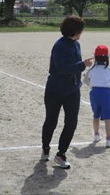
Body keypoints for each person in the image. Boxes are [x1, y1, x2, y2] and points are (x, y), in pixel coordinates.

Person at [41, 16, 93, 169]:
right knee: (51, 121)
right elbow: (61, 68)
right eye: (81, 30)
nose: (82, 33)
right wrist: (82, 65)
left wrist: (81, 67)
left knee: (71, 122)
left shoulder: (76, 44)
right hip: (55, 90)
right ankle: (45, 147)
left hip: (72, 91)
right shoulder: (59, 45)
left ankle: (61, 154)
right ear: (75, 30)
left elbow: (74, 65)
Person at [83, 45, 110, 148]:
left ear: (96, 57)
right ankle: (109, 140)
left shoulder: (92, 70)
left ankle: (96, 135)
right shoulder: (109, 70)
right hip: (106, 93)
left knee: (96, 115)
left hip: (94, 93)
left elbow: (87, 82)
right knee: (108, 118)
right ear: (107, 58)